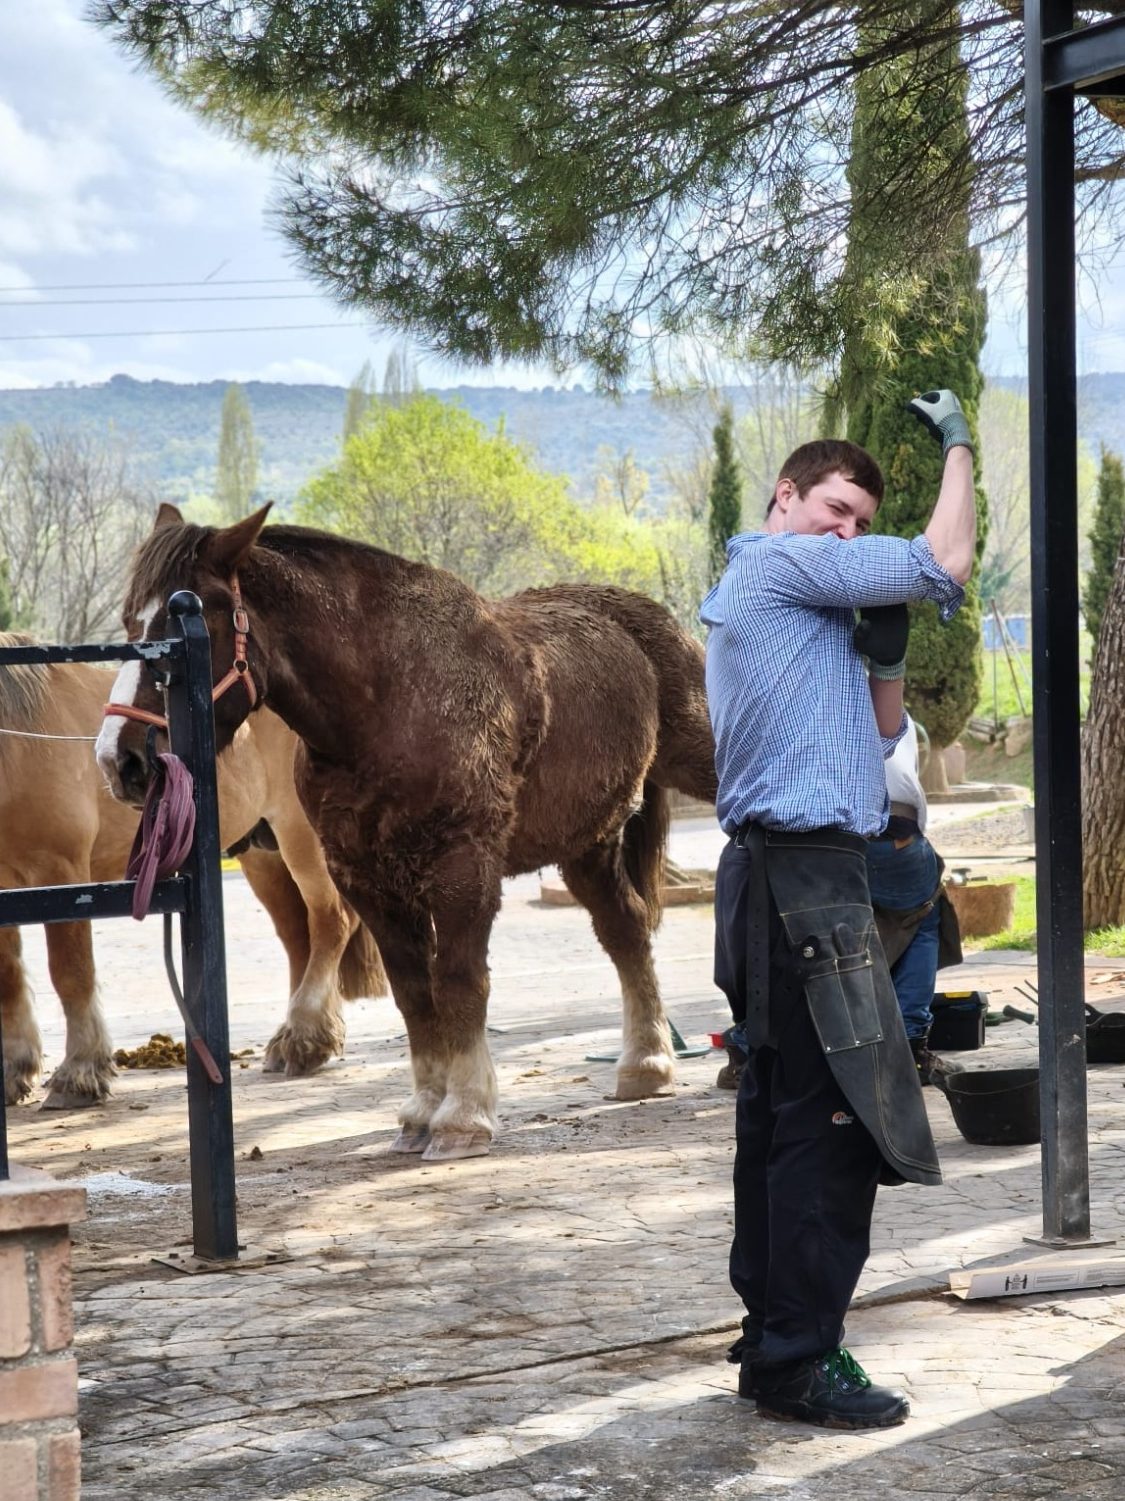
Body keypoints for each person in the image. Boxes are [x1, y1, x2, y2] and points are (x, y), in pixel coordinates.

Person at [700, 390, 976, 1431]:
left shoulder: (789, 602)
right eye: (836, 510)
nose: (848, 533)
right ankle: (800, 1358)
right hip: (802, 875)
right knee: (830, 1123)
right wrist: (958, 447)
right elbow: (945, 560)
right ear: (785, 499)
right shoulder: (778, 563)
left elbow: (879, 731)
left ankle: (773, 1340)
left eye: (861, 521)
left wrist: (889, 663)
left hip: (789, 873)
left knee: (779, 1113)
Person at [866, 716, 964, 1089]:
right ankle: (912, 1047)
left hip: (831, 842)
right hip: (895, 836)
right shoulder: (888, 706)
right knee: (924, 918)